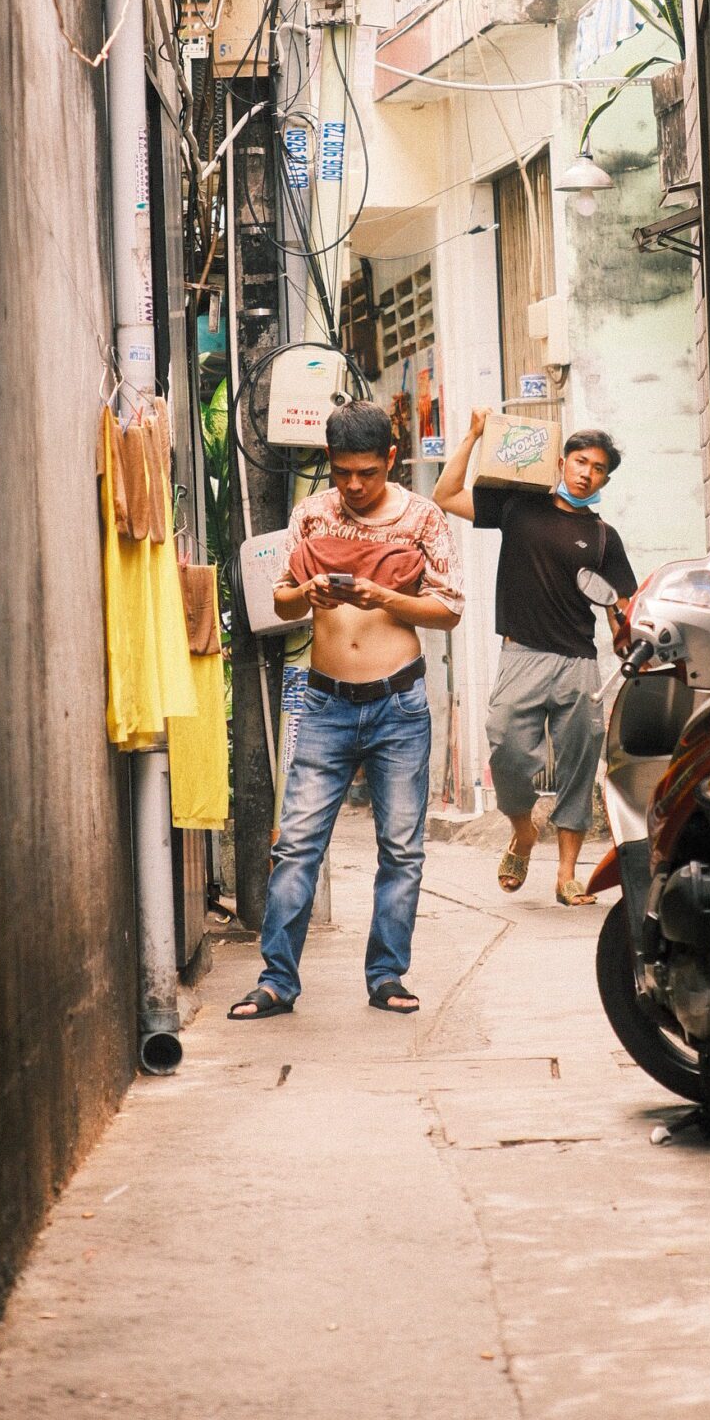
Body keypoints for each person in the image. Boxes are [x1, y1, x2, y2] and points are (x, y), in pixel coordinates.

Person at [229, 400, 462, 1021]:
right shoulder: (310, 514)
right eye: (342, 473)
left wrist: (382, 594)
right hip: (326, 702)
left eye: (368, 472)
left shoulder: (423, 518)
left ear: (391, 458)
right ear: (328, 463)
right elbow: (281, 605)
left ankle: (387, 975)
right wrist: (304, 593)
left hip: (399, 704)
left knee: (402, 850)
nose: (354, 486)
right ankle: (277, 980)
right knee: (297, 846)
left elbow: (450, 609)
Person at [435, 416, 636, 905]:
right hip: (521, 654)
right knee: (504, 749)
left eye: (599, 468)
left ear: (606, 480)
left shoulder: (605, 537)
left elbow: (620, 607)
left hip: (579, 663)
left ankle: (567, 875)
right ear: (562, 462)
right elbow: (445, 495)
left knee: (579, 765)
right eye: (581, 461)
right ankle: (523, 832)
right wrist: (473, 436)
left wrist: (625, 631)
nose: (587, 473)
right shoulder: (519, 506)